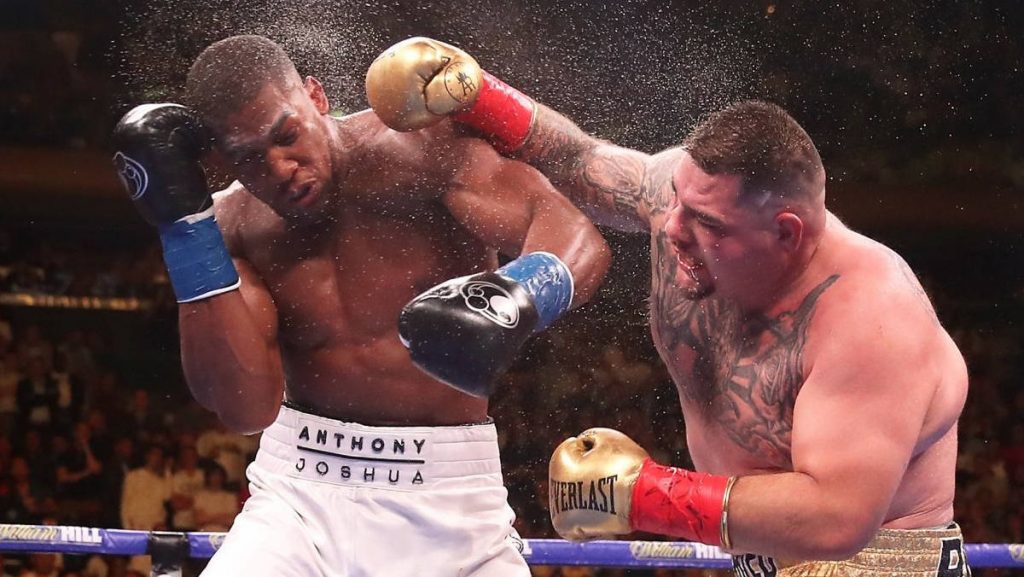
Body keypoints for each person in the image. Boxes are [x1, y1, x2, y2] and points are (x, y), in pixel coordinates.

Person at [367, 38, 971, 577]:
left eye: (706, 223)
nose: (671, 227)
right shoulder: (682, 204)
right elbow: (580, 159)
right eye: (677, 199)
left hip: (881, 563)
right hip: (754, 554)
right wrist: (478, 97)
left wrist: (643, 493)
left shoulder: (871, 317)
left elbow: (838, 519)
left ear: (787, 233)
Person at [111, 34, 610, 577]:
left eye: (286, 135)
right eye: (248, 158)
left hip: (451, 500)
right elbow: (244, 409)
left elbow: (572, 231)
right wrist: (187, 235)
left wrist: (519, 293)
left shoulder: (419, 153)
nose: (279, 168)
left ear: (316, 97)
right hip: (298, 501)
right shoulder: (231, 226)